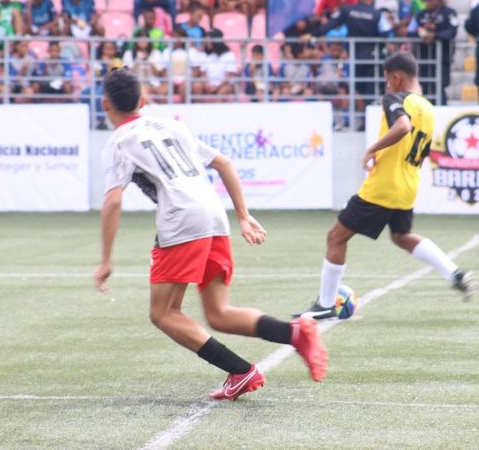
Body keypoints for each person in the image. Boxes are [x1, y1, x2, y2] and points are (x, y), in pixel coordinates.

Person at [93, 69, 327, 400]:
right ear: (143, 101)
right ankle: (294, 333)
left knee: (163, 313)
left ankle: (241, 370)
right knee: (219, 313)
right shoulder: (173, 126)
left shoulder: (118, 142)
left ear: (105, 104)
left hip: (181, 220)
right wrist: (243, 216)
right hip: (213, 215)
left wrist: (105, 260)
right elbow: (224, 163)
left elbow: (113, 200)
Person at [294, 52, 475, 320]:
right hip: (408, 186)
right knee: (402, 236)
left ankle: (326, 304)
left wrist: (372, 149)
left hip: (383, 186)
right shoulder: (428, 108)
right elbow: (423, 151)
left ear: (397, 78)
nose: (387, 86)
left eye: (388, 80)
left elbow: (402, 126)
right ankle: (454, 273)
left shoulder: (395, 98)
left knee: (336, 236)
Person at [313, 0, 386, 109]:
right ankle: (367, 116)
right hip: (371, 57)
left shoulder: (347, 10)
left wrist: (314, 34)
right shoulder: (377, 14)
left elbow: (332, 23)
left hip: (353, 56)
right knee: (370, 89)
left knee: (355, 87)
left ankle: (355, 117)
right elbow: (386, 33)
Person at [409, 0, 458, 104]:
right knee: (425, 84)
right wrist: (423, 34)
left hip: (443, 56)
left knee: (441, 83)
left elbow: (452, 32)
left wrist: (435, 35)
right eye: (426, 0)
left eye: (431, 0)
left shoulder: (449, 13)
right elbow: (411, 31)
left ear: (438, 0)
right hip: (424, 57)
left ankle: (441, 108)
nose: (428, 2)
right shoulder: (421, 14)